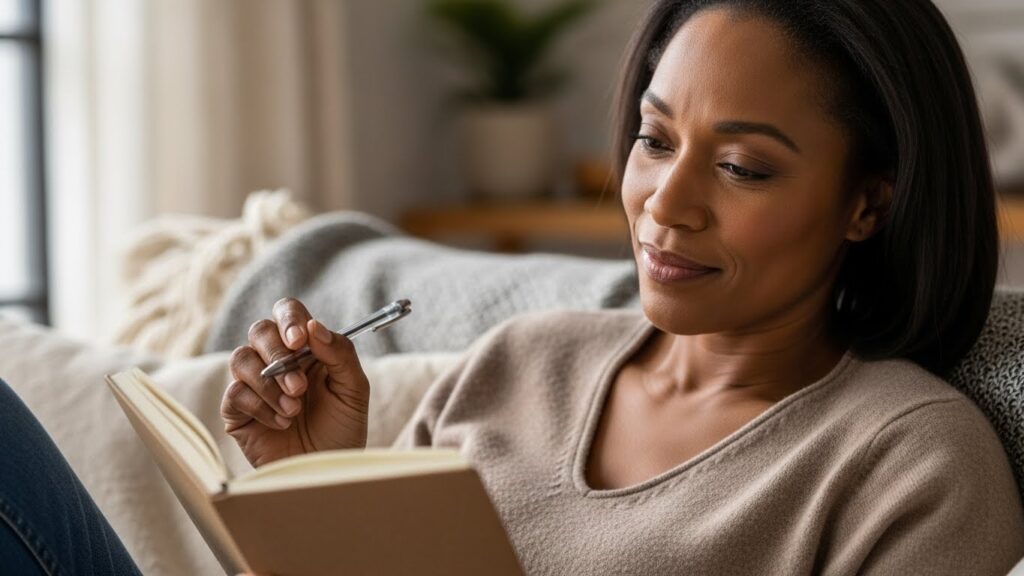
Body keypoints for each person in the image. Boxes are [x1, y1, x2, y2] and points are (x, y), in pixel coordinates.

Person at [1, 0, 1022, 574]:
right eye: (653, 140)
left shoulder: (909, 462)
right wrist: (311, 481)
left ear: (868, 203)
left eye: (743, 166)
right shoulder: (522, 361)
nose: (665, 206)